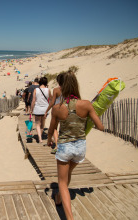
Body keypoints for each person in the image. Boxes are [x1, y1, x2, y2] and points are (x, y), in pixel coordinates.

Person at [47, 71, 104, 220]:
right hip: (80, 148)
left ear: (62, 87)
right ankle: (59, 197)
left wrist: (48, 141)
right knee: (67, 175)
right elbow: (101, 127)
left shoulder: (58, 108)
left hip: (65, 147)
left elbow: (52, 129)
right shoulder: (86, 104)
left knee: (62, 182)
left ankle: (69, 217)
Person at [30, 77, 52, 143]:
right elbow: (51, 99)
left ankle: (39, 138)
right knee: (42, 124)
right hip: (45, 109)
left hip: (37, 108)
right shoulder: (48, 90)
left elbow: (33, 100)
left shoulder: (36, 90)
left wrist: (31, 109)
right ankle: (41, 136)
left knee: (37, 124)